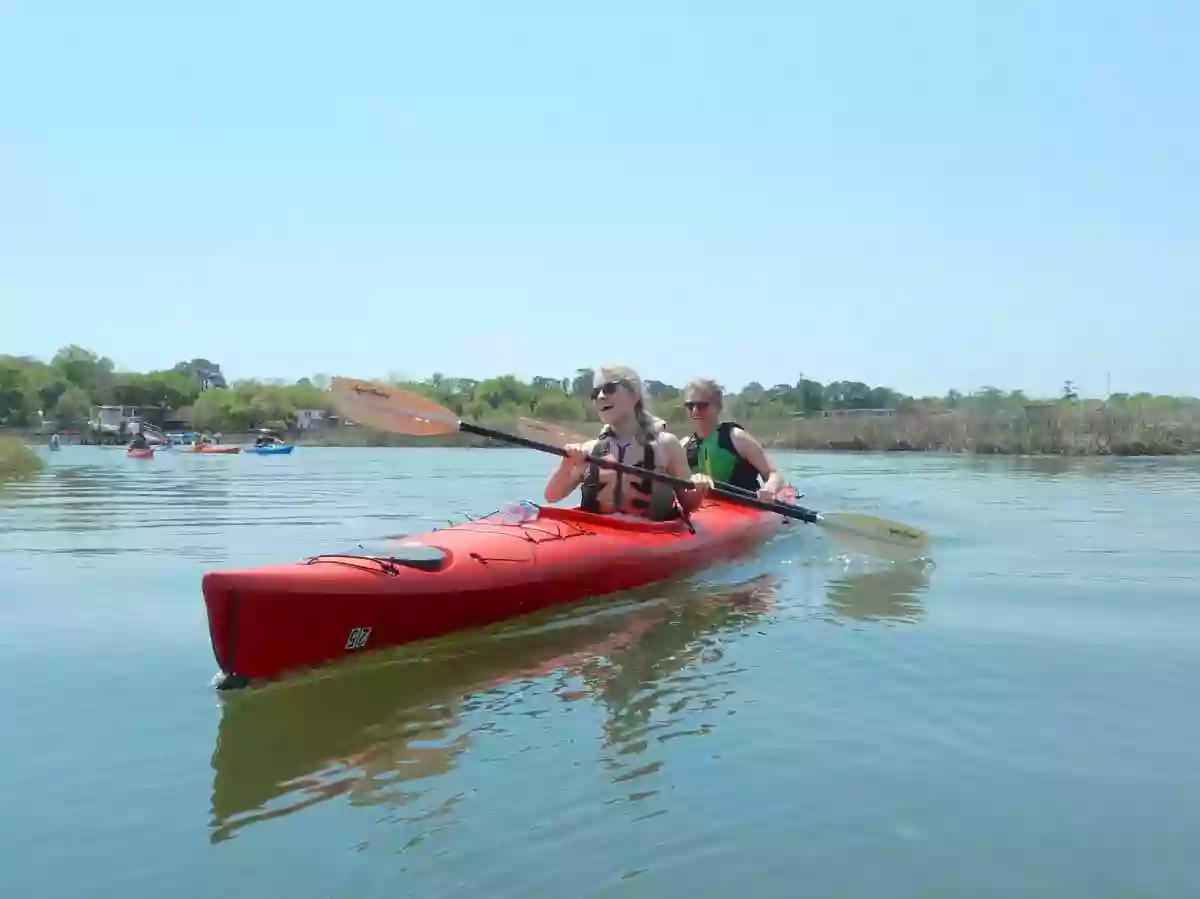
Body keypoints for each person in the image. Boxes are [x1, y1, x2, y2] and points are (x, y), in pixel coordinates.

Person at [544, 366, 713, 520]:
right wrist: (566, 465)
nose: (601, 396)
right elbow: (551, 496)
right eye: (595, 393)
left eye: (609, 388)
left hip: (651, 537)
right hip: (598, 537)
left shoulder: (666, 445)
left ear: (634, 395)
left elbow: (689, 505)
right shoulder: (589, 450)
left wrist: (697, 488)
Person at [680, 378, 785, 503]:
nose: (695, 411)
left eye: (702, 405)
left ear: (718, 407)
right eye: (690, 406)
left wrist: (770, 488)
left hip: (745, 507)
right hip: (705, 510)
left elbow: (773, 473)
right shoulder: (683, 446)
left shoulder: (737, 437)